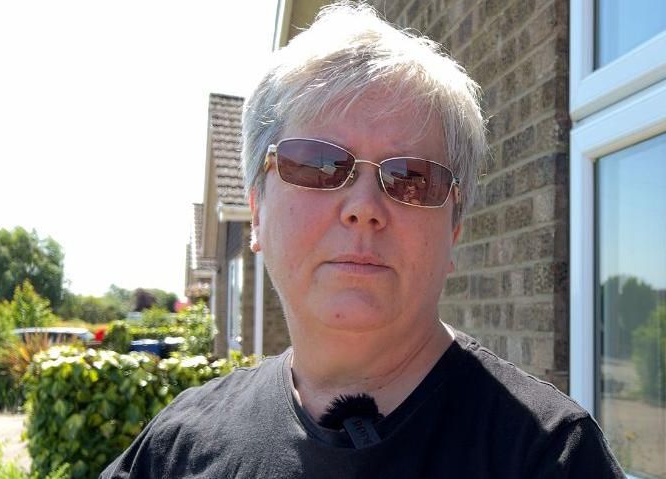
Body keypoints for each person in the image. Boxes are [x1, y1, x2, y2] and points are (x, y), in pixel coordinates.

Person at [100, 3, 625, 478]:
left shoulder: (549, 458)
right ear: (257, 211)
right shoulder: (175, 451)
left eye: (412, 177)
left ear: (454, 228)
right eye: (318, 163)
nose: (364, 208)